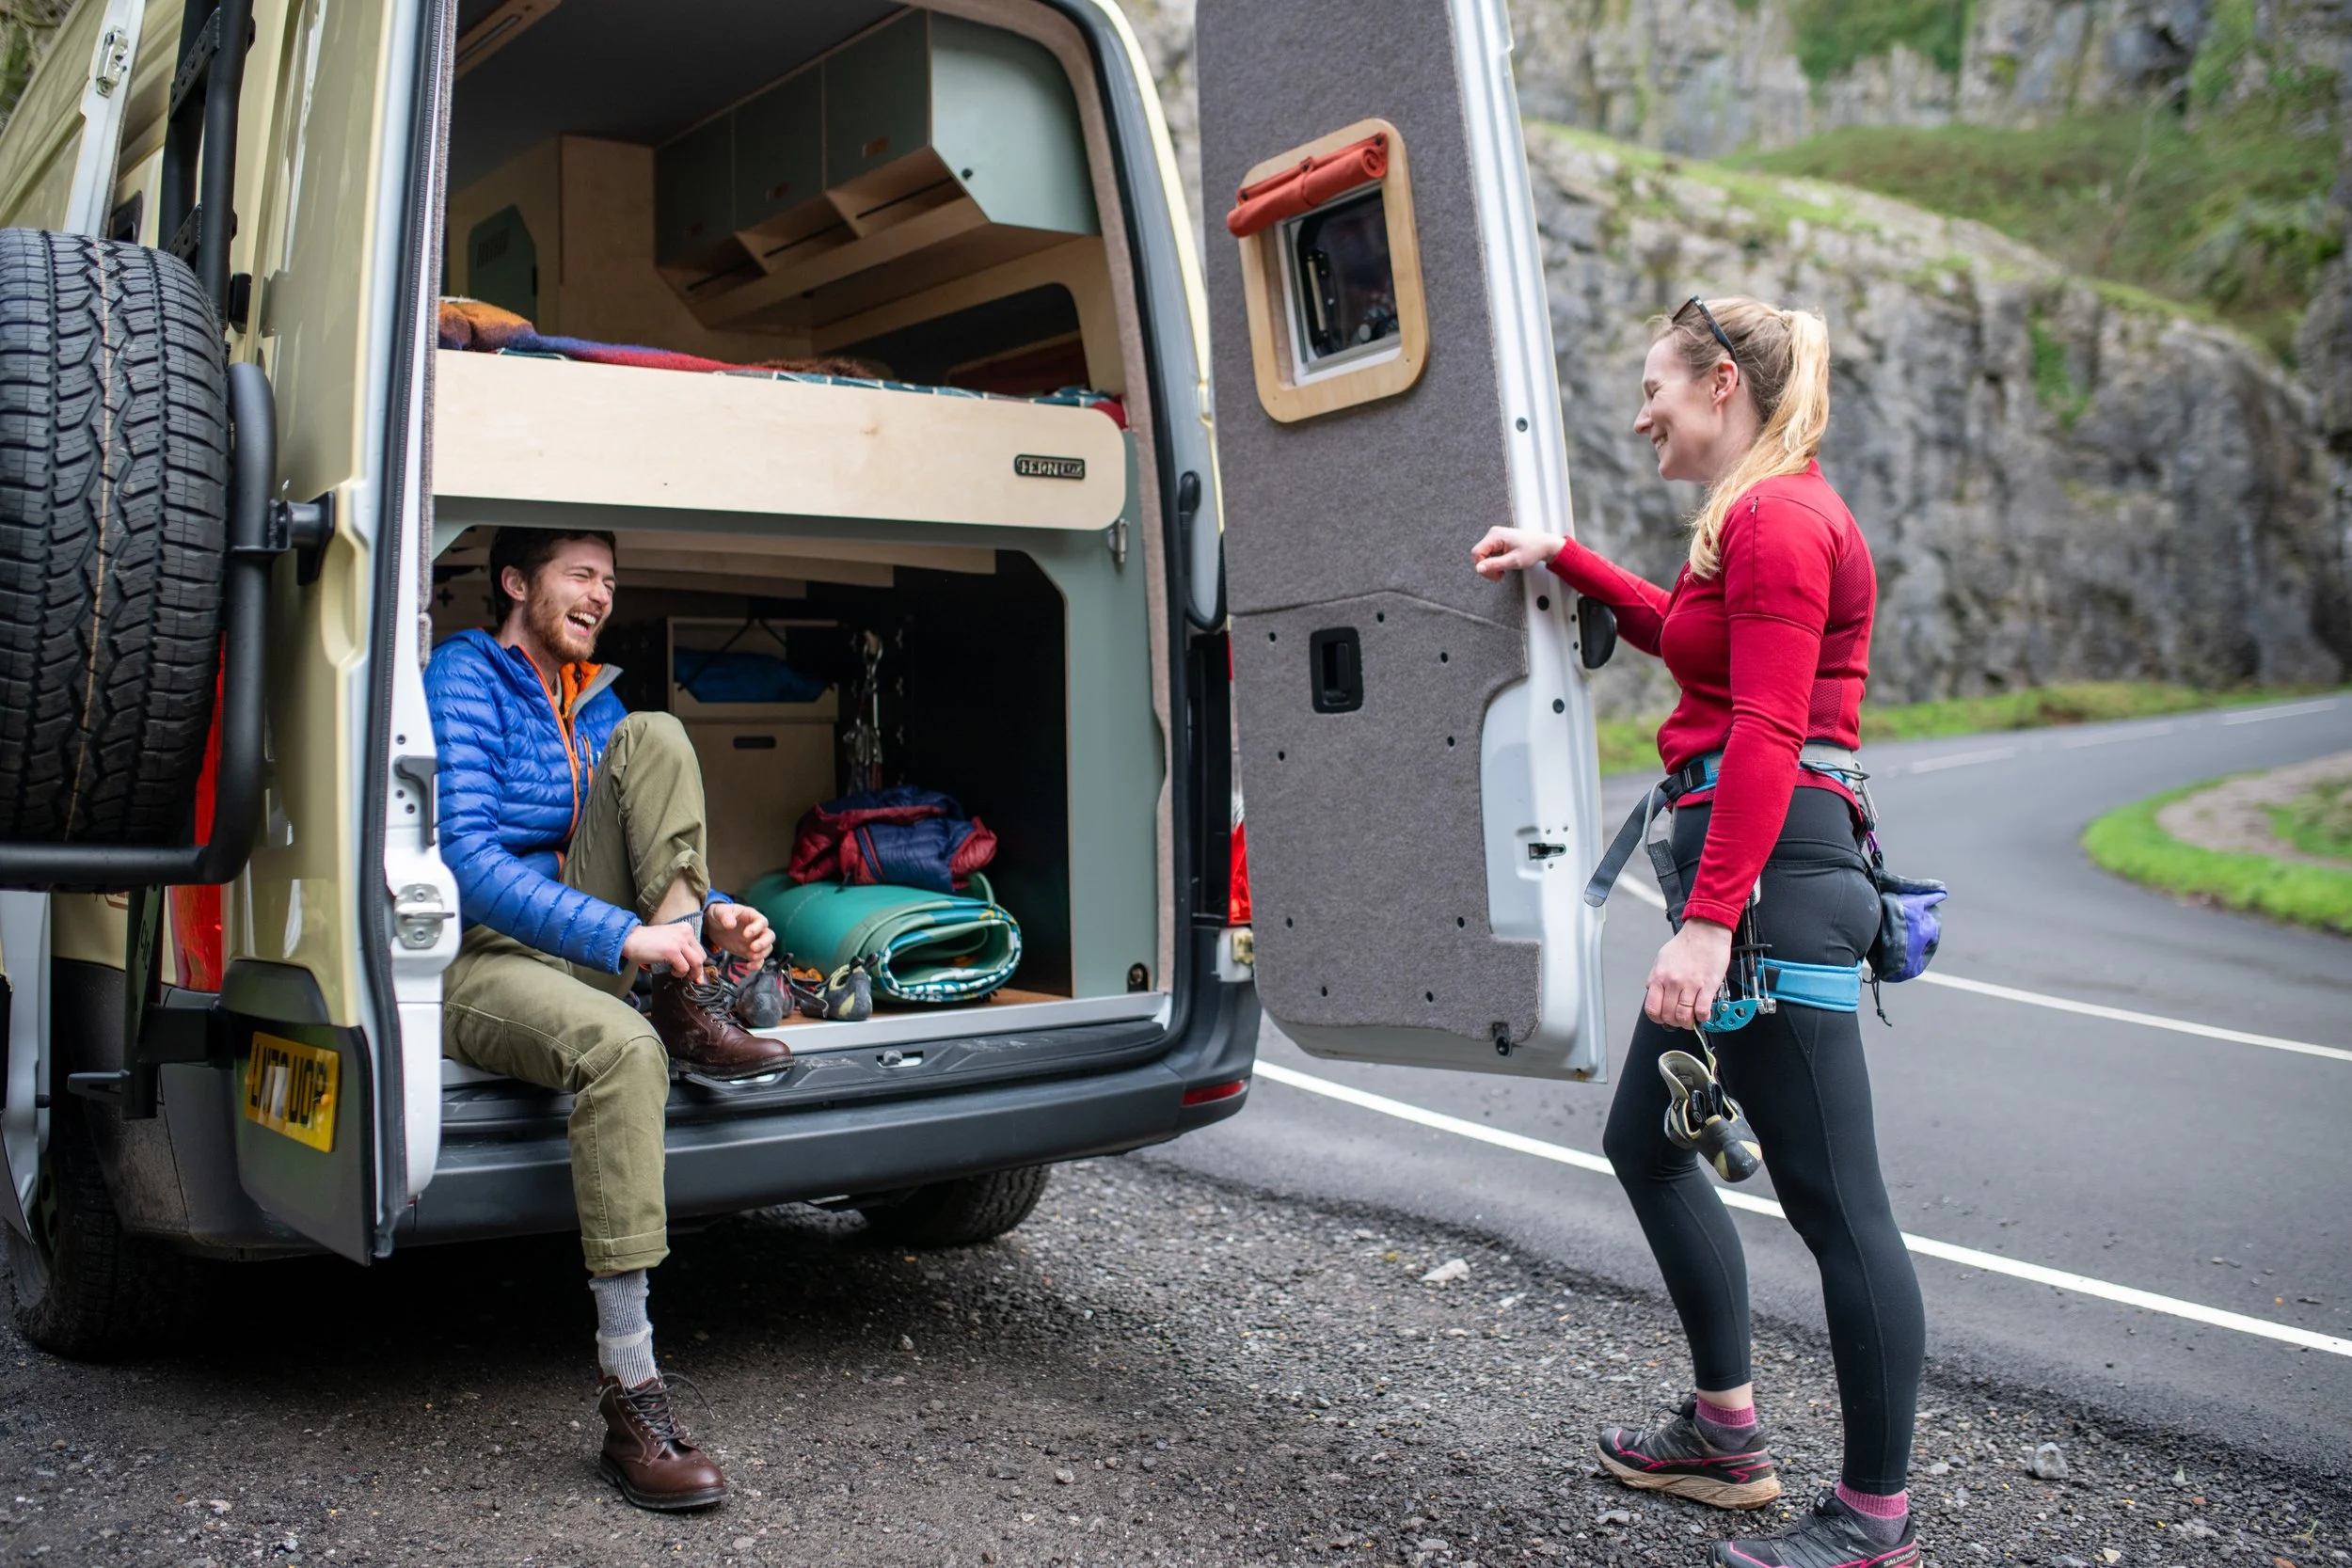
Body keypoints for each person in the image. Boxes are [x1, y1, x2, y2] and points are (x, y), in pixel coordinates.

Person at [1471, 296, 1926, 1568]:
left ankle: (1873, 1520)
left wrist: (1712, 925)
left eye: (1656, 389)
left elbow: (1771, 727)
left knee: (1842, 1212)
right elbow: (1694, 648)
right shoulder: (1753, 517)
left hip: (1772, 884)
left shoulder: (1782, 518)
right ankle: (1727, 1432)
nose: (1642, 415)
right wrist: (1568, 557)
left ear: (1722, 382)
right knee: (1647, 1142)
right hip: (1755, 874)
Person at [427, 528, 796, 1512]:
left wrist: (707, 915)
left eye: (610, 581)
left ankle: (689, 994)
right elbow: (462, 854)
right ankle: (633, 1393)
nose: (600, 593)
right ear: (517, 581)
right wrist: (623, 938)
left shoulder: (598, 700)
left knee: (661, 734)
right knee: (625, 1052)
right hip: (481, 953)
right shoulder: (464, 673)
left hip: (588, 941)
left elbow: (647, 846)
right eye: (580, 574)